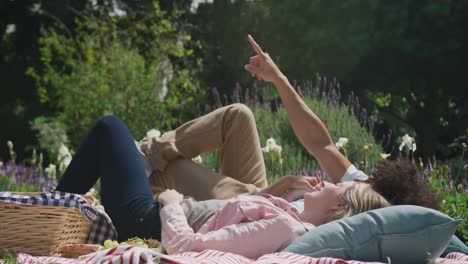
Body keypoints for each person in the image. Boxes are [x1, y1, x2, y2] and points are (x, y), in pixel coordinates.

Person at [54, 35, 435, 258]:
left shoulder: (350, 206)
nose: (338, 178)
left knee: (111, 131)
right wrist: (278, 77)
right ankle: (148, 153)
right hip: (252, 202)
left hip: (241, 204)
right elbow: (320, 142)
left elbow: (200, 241)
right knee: (239, 114)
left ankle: (130, 164)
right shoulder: (345, 199)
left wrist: (273, 197)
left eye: (350, 185)